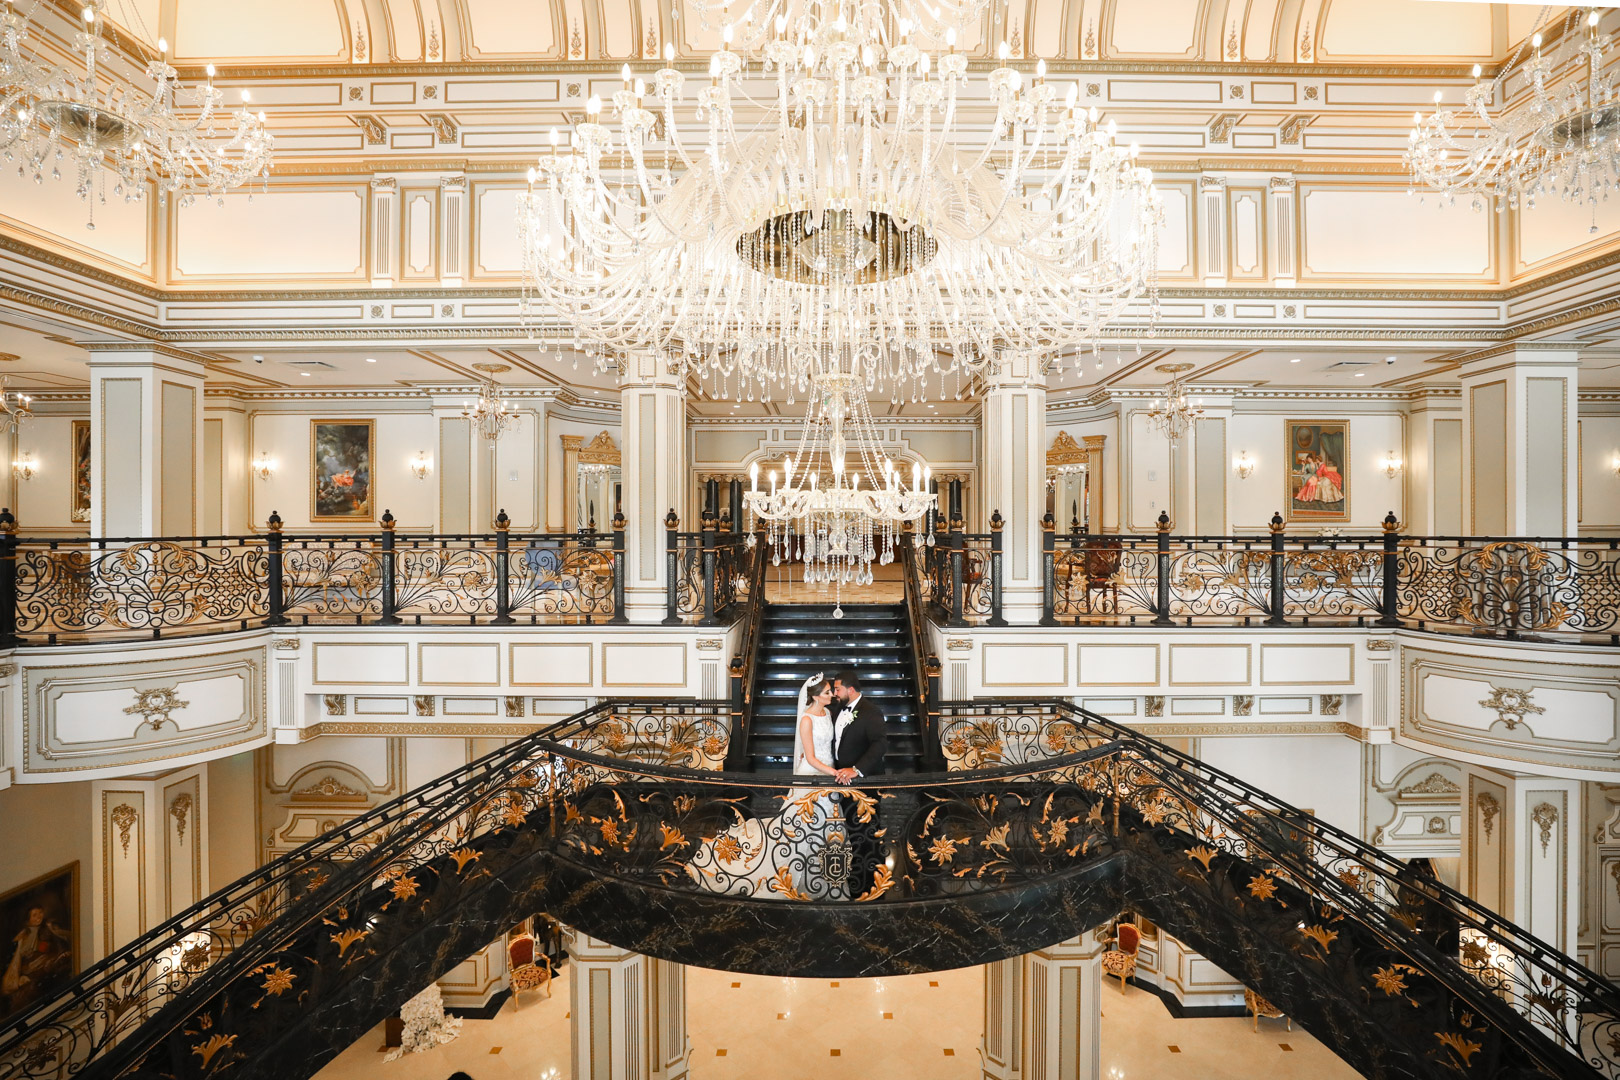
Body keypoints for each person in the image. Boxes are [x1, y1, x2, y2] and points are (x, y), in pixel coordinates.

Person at [685, 673, 845, 899]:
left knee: (827, 824)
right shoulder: (806, 720)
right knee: (802, 825)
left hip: (828, 773)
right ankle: (793, 875)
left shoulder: (827, 713)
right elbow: (809, 757)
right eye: (827, 692)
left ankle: (824, 874)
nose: (832, 695)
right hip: (814, 774)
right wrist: (833, 772)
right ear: (816, 696)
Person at [829, 670, 888, 897]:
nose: (835, 693)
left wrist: (856, 770)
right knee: (853, 830)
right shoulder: (838, 709)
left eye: (837, 689)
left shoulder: (871, 711)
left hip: (865, 783)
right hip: (842, 781)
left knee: (869, 832)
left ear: (850, 689)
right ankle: (857, 876)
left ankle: (873, 883)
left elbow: (879, 745)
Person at [3, 903, 71, 1014]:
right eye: (34, 915)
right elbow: (16, 959)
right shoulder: (22, 936)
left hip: (45, 965)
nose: (39, 917)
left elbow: (57, 945)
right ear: (28, 919)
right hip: (27, 970)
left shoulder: (46, 930)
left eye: (40, 913)